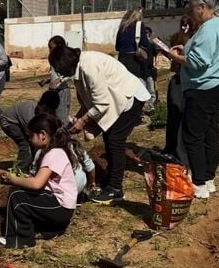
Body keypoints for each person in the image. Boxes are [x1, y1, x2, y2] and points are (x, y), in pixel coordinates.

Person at [50, 45, 150, 205]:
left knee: (115, 140)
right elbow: (89, 99)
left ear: (64, 65)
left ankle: (115, 189)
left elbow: (102, 102)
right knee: (109, 136)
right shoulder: (79, 67)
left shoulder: (89, 68)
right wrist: (78, 117)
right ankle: (111, 180)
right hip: (115, 98)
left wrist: (82, 121)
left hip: (130, 97)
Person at [166, 0, 219, 199]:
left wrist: (174, 56)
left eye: (190, 7)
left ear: (201, 7)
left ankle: (199, 183)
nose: (189, 11)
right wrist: (185, 48)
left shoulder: (208, 28)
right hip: (218, 85)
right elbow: (208, 54)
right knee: (210, 133)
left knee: (193, 135)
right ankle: (209, 178)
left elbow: (197, 62)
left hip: (202, 88)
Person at [0, 113, 77, 248]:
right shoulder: (51, 151)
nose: (29, 139)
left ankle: (21, 240)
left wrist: (13, 179)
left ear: (42, 135)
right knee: (21, 192)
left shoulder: (54, 153)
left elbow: (36, 184)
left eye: (31, 136)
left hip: (61, 207)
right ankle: (50, 230)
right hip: (60, 205)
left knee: (17, 197)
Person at [0, 90, 61, 172]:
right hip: (8, 121)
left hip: (18, 120)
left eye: (50, 111)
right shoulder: (30, 117)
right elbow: (35, 140)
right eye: (45, 110)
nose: (47, 113)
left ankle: (32, 165)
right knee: (25, 144)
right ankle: (20, 170)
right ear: (39, 104)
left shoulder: (47, 113)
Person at [161, 18, 193, 166]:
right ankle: (174, 149)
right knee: (176, 115)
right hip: (180, 78)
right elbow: (173, 57)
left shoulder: (194, 38)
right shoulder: (182, 37)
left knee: (178, 115)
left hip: (183, 79)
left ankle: (177, 150)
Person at [38, 35, 72, 121]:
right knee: (52, 116)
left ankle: (66, 132)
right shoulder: (53, 58)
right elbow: (55, 74)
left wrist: (59, 80)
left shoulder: (66, 58)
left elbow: (70, 73)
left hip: (62, 91)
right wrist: (47, 81)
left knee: (62, 117)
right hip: (53, 91)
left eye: (51, 47)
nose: (49, 50)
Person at [115, 7, 149, 80]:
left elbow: (117, 47)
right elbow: (145, 43)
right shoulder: (140, 25)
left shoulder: (123, 26)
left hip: (121, 58)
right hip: (133, 58)